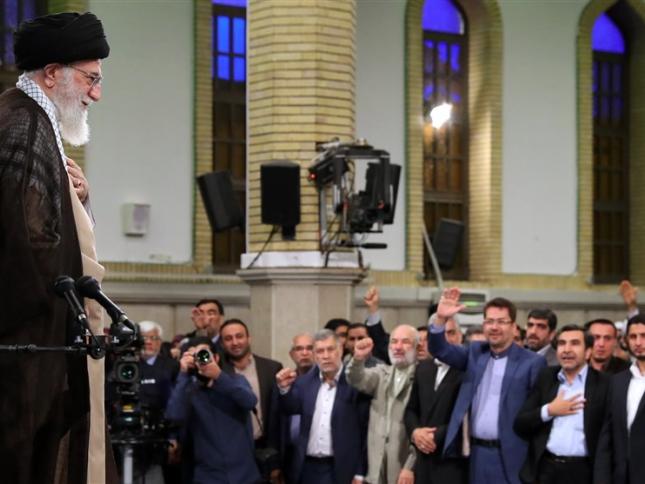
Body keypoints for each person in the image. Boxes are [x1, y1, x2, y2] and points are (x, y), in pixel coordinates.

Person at [0, 12, 115, 484]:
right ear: (52, 73)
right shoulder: (22, 124)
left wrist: (78, 201)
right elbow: (29, 246)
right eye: (91, 78)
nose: (96, 93)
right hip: (29, 351)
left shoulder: (33, 120)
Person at [428, 287, 546, 484]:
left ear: (514, 327)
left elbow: (535, 415)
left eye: (501, 322)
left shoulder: (532, 362)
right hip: (474, 455)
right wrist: (440, 319)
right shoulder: (475, 353)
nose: (494, 327)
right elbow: (440, 349)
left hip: (512, 457)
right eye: (489, 321)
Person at [514, 325, 609, 484]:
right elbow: (520, 424)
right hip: (546, 469)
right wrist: (549, 410)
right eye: (562, 343)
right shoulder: (546, 377)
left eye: (574, 343)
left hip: (583, 471)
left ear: (588, 352)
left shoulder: (605, 383)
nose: (566, 350)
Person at [276, 329, 369, 484]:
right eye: (320, 351)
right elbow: (290, 408)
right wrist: (284, 389)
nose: (326, 356)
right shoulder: (304, 382)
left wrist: (360, 472)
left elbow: (365, 431)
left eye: (330, 349)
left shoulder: (355, 383)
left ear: (341, 350)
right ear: (314, 355)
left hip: (342, 467)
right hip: (307, 467)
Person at [165, 337, 260, 483]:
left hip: (244, 474)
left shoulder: (236, 380)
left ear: (215, 358)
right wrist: (183, 374)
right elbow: (174, 416)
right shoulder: (189, 390)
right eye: (194, 356)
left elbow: (250, 401)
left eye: (203, 354)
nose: (199, 360)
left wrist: (218, 376)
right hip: (207, 475)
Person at [345, 326, 419, 484]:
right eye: (394, 341)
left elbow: (424, 426)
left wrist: (411, 466)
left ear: (416, 347)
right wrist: (358, 359)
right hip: (376, 466)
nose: (398, 347)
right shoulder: (381, 373)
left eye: (405, 342)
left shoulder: (423, 376)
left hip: (404, 467)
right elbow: (355, 379)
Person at [405, 316, 467, 484]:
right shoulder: (423, 368)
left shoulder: (468, 370)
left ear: (461, 336)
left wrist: (434, 436)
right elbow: (411, 409)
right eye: (441, 334)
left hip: (452, 461)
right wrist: (415, 432)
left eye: (451, 333)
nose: (446, 339)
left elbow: (467, 416)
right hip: (423, 460)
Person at [219, 318, 283, 477]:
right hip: (230, 451)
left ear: (249, 338)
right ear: (222, 344)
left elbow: (277, 415)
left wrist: (275, 455)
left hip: (264, 448)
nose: (235, 342)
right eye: (228, 339)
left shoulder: (271, 368)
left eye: (239, 336)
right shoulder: (217, 372)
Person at [594, 314, 645, 484]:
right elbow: (607, 436)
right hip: (621, 477)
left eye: (644, 336)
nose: (638, 342)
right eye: (633, 337)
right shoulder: (617, 381)